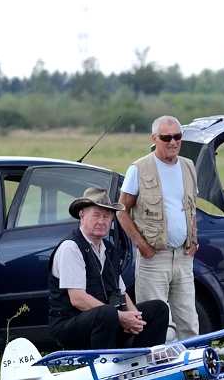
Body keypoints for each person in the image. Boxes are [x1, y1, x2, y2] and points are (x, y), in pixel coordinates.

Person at [49, 188, 169, 350]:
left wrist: (135, 318)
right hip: (69, 324)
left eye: (106, 216)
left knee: (158, 309)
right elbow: (77, 298)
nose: (101, 221)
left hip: (107, 319)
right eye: (96, 215)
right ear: (82, 216)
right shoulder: (70, 247)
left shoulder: (109, 249)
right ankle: (104, 364)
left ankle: (144, 360)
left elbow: (120, 291)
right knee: (108, 313)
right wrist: (119, 316)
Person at [117, 115, 199, 341]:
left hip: (183, 256)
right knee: (156, 321)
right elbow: (121, 210)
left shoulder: (188, 166)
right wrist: (141, 246)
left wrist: (193, 242)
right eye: (166, 137)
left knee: (188, 320)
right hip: (154, 258)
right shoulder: (139, 168)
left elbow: (191, 208)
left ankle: (192, 368)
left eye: (177, 137)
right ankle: (157, 369)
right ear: (154, 138)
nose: (173, 142)